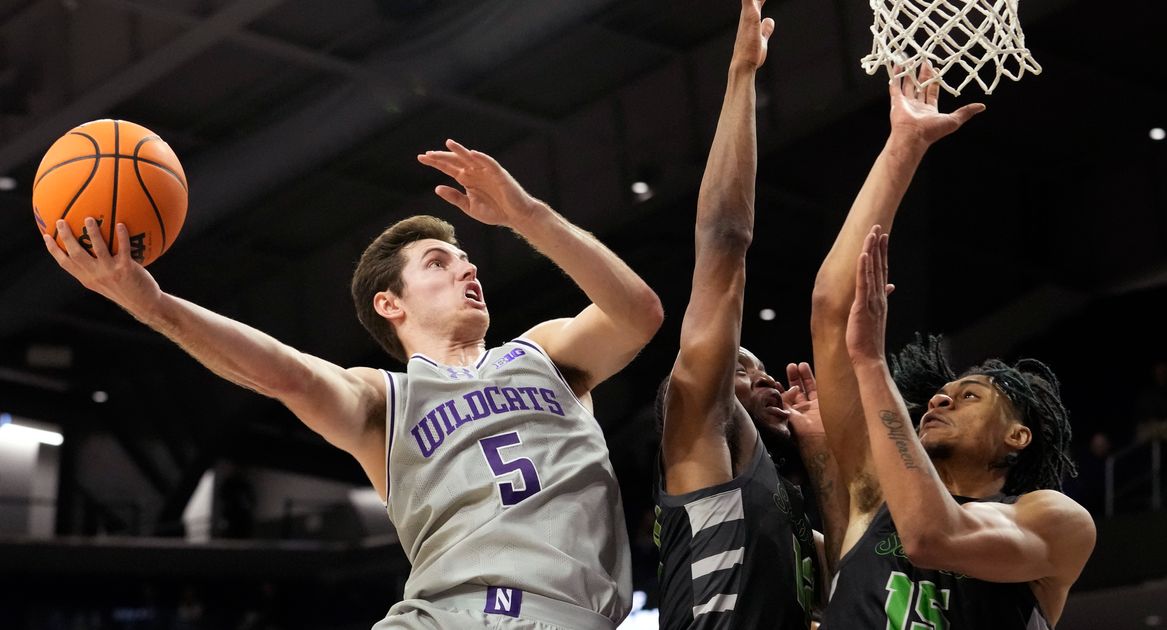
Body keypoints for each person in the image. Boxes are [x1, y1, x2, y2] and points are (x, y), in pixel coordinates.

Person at [45, 139, 664, 629]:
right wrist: (153, 305)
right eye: (438, 263)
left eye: (466, 260)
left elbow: (639, 314)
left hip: (566, 615)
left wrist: (526, 215)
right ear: (390, 304)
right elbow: (284, 372)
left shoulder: (545, 354)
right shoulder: (383, 400)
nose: (467, 268)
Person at [810, 65, 1095, 628]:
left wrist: (871, 362)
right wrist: (902, 148)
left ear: (1018, 436)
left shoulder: (1053, 521)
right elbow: (831, 310)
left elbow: (932, 537)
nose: (939, 400)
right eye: (943, 394)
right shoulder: (873, 492)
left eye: (968, 397)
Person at [652, 2, 845, 628]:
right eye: (740, 368)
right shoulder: (703, 444)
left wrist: (819, 453)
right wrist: (741, 78)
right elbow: (725, 242)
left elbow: (856, 584)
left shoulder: (788, 510)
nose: (763, 378)